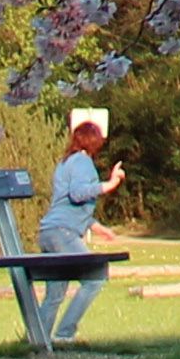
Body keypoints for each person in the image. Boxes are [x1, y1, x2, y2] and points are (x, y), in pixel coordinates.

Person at [41, 110, 123, 345]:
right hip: (63, 233)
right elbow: (78, 195)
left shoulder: (65, 163)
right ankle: (65, 334)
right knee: (95, 277)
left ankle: (38, 341)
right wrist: (108, 185)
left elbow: (71, 207)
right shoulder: (83, 161)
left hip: (49, 232)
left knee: (55, 294)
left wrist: (101, 230)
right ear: (93, 141)